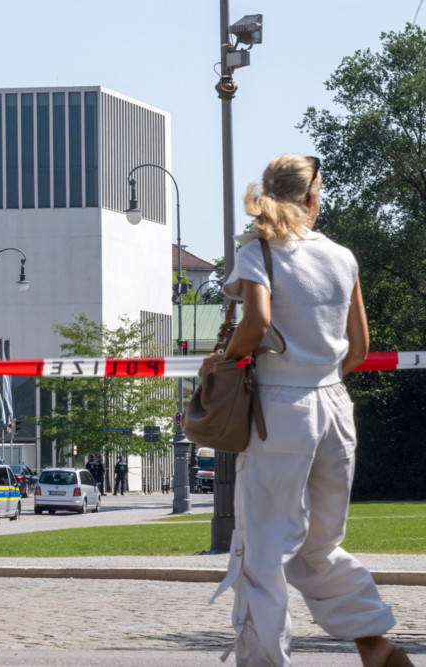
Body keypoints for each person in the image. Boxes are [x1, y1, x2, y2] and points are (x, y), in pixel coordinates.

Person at [202, 155, 409, 667]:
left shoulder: (258, 251)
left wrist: (223, 359)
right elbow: (358, 350)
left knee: (263, 555)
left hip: (281, 407)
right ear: (313, 199)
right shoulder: (342, 257)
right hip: (335, 406)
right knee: (319, 546)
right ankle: (375, 643)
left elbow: (256, 323)